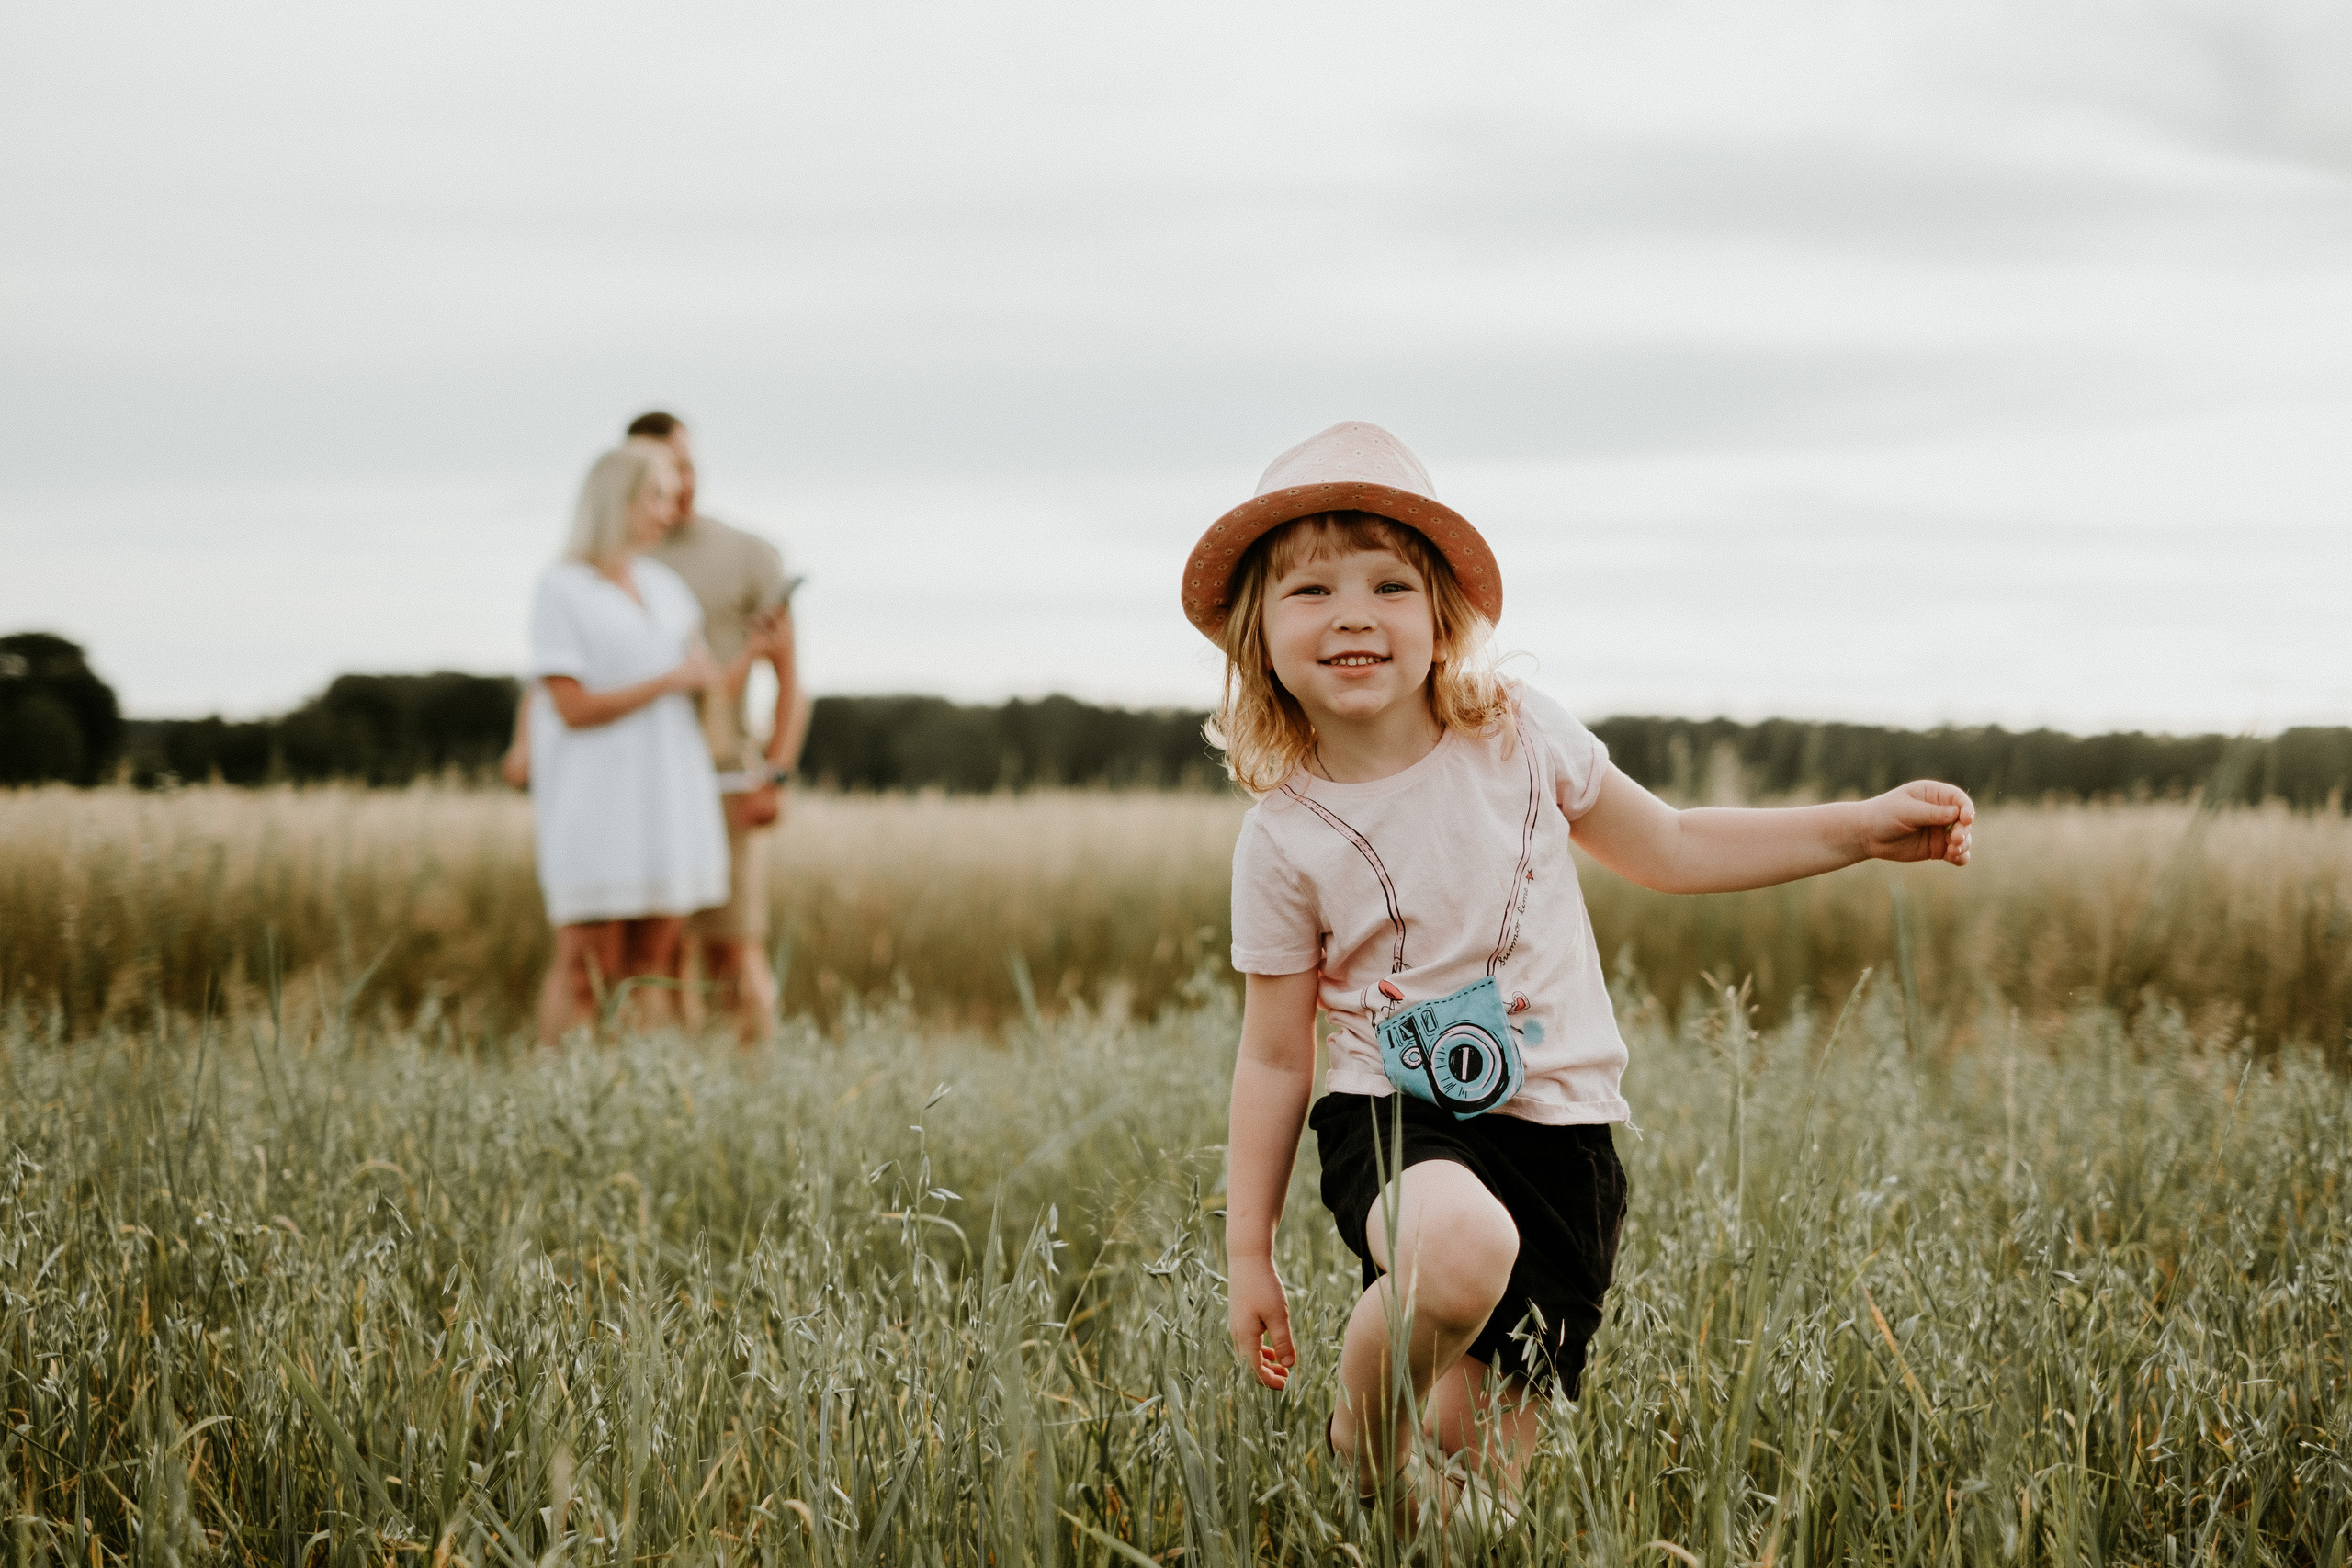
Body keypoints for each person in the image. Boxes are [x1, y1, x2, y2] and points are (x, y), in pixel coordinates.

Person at [1199, 423, 1974, 1533]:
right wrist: (1247, 1253)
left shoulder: (1518, 737)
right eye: (1309, 590)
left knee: (1474, 1511)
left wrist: (1857, 828)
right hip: (1397, 1117)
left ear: (1441, 617)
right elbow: (1275, 1054)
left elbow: (1675, 847)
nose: (1353, 613)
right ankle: (1359, 1447)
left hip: (1564, 1138)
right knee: (1456, 1250)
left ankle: (1390, 1513)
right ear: (1258, 635)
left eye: (1388, 583)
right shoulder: (1284, 838)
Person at [526, 441, 730, 1048]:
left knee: (653, 969)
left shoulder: (667, 589)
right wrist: (669, 679)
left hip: (668, 797)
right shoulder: (562, 589)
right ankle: (558, 1094)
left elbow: (703, 687)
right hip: (596, 803)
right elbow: (571, 706)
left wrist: (745, 662)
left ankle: (633, 1105)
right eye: (657, 497)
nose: (669, 510)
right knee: (587, 966)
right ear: (619, 501)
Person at [632, 410, 811, 1045]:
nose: (678, 482)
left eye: (686, 466)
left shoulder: (750, 553)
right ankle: (678, 1097)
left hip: (726, 776)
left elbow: (792, 679)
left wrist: (777, 775)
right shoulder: (620, 559)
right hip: (642, 777)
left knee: (733, 950)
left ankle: (758, 1100)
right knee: (657, 955)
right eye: (661, 471)